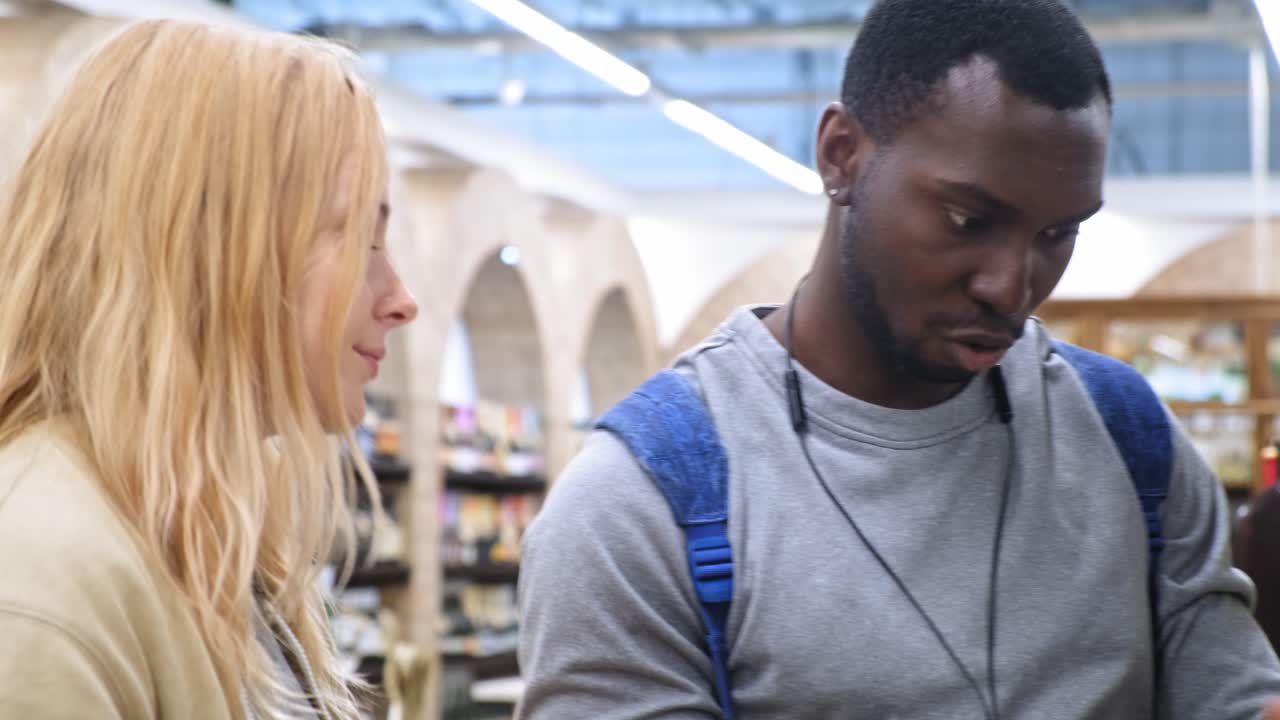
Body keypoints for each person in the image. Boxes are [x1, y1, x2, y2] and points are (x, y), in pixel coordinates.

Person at [517, 1, 1280, 718]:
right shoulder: (638, 506)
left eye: (1058, 235)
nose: (1011, 287)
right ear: (841, 155)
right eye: (967, 218)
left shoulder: (1130, 442)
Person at [0, 19, 417, 720]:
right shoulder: (42, 585)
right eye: (355, 237)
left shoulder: (194, 529)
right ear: (210, 247)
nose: (400, 300)